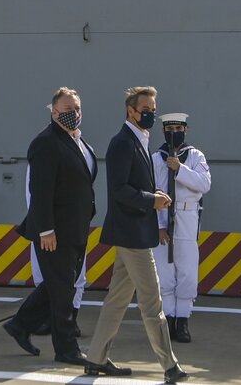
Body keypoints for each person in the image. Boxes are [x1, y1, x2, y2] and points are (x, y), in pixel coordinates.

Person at [86, 86, 188, 384]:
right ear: (131, 110)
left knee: (117, 299)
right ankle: (170, 366)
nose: (151, 114)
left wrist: (151, 194)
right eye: (147, 109)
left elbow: (131, 185)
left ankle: (95, 358)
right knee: (152, 303)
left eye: (153, 108)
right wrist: (151, 200)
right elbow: (118, 191)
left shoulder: (137, 140)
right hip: (132, 235)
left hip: (134, 232)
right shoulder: (122, 143)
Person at [5, 88, 96, 363]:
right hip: (54, 232)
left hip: (76, 228)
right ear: (54, 112)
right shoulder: (46, 142)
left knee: (61, 284)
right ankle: (66, 349)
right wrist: (46, 230)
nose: (74, 114)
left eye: (77, 109)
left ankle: (20, 324)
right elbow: (40, 191)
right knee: (62, 292)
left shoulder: (78, 141)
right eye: (67, 110)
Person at [152, 113, 211, 343]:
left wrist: (180, 169)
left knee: (186, 272)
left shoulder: (195, 155)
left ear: (185, 130)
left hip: (187, 216)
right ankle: (168, 319)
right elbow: (152, 190)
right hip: (162, 215)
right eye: (169, 128)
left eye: (178, 128)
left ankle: (183, 320)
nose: (173, 133)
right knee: (165, 273)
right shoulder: (157, 157)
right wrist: (159, 225)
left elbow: (204, 184)